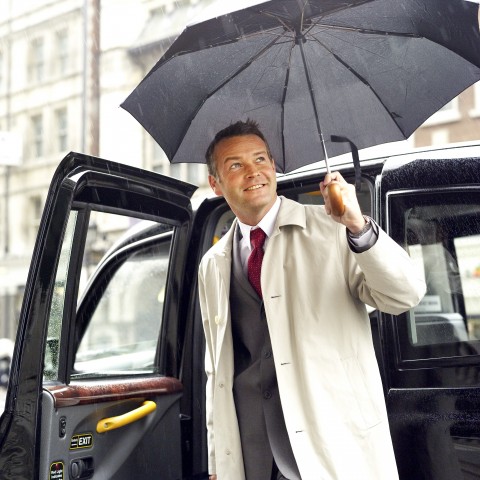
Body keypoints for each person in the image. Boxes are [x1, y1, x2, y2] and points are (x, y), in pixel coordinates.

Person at [197, 119, 426, 480]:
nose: (253, 172)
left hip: (332, 449)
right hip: (253, 455)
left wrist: (358, 227)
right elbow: (217, 369)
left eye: (260, 159)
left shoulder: (332, 229)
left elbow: (405, 294)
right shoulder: (212, 264)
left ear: (273, 166)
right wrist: (217, 460)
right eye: (236, 165)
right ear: (215, 184)